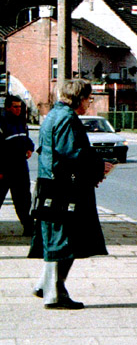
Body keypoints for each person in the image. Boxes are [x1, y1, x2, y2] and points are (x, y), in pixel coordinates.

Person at [28, 79, 115, 310]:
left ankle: (43, 285)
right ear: (79, 98)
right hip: (64, 189)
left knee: (60, 237)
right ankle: (54, 294)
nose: (89, 103)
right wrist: (99, 166)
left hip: (53, 185)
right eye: (88, 98)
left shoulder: (54, 116)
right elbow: (72, 154)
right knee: (64, 239)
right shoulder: (67, 119)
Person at [0, 95, 35, 236]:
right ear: (8, 107)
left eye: (20, 107)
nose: (18, 109)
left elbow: (25, 139)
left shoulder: (21, 122)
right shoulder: (2, 123)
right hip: (5, 167)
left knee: (24, 199)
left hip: (20, 167)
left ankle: (28, 226)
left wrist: (29, 148)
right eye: (15, 107)